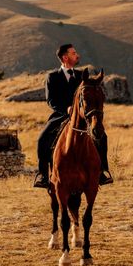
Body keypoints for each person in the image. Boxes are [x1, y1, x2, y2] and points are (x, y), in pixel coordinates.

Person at [33, 43, 114, 188]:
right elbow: (51, 100)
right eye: (73, 53)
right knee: (42, 138)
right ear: (65, 57)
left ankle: (102, 171)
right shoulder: (52, 77)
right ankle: (43, 175)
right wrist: (67, 109)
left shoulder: (81, 76)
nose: (77, 55)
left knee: (102, 136)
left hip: (82, 117)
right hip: (60, 115)